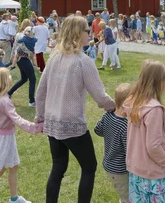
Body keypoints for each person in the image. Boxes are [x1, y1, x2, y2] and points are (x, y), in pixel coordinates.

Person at [35, 16, 115, 203]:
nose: (90, 34)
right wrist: (116, 107)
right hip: (71, 124)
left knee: (58, 167)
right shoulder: (82, 61)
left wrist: (40, 118)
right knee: (89, 167)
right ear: (78, 34)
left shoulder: (54, 57)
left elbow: (41, 92)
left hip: (53, 122)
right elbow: (99, 95)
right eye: (87, 30)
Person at [0, 68, 43, 203]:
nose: (11, 78)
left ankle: (14, 198)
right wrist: (35, 128)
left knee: (13, 166)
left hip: (1, 138)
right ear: (4, 81)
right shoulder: (5, 101)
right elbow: (17, 119)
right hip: (3, 140)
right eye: (9, 76)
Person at [123, 60, 165, 202]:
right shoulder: (154, 110)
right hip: (153, 174)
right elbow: (153, 146)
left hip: (136, 171)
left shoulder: (132, 101)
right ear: (159, 82)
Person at [93, 83, 132, 203]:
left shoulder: (108, 116)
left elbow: (97, 130)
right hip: (120, 170)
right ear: (127, 103)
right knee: (128, 198)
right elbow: (129, 151)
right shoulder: (125, 126)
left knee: (124, 195)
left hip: (109, 165)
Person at [9, 26, 37, 107]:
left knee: (24, 79)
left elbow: (17, 54)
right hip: (24, 61)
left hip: (20, 61)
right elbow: (32, 55)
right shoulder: (27, 42)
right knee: (33, 79)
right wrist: (35, 64)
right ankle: (31, 101)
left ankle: (9, 93)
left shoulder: (23, 41)